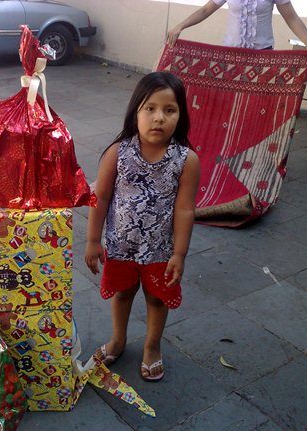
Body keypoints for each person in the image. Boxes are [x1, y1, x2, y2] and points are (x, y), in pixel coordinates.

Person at [85, 72, 200, 381]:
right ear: (135, 111)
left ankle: (152, 345)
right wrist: (93, 240)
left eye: (169, 110)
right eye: (150, 108)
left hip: (160, 251)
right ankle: (118, 340)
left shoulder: (186, 160)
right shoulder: (118, 152)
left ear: (180, 115)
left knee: (157, 298)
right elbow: (101, 197)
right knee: (122, 294)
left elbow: (185, 209)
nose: (159, 117)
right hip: (120, 246)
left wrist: (180, 254)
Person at [166, 0, 307, 53]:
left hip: (262, 53)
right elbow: (206, 10)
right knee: (230, 99)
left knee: (257, 101)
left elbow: (291, 17)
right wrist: (181, 26)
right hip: (231, 53)